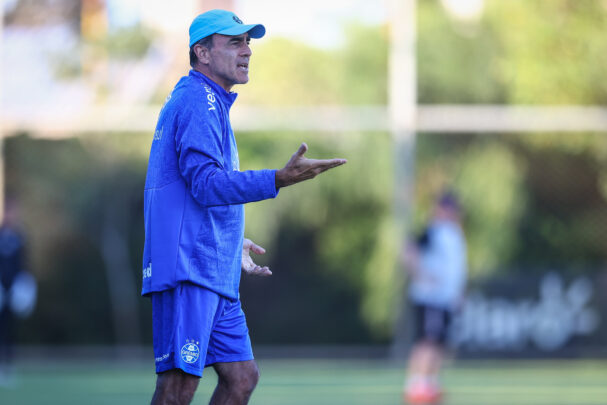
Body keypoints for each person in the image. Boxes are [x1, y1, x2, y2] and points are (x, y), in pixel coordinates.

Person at [142, 9, 347, 405]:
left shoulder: (210, 102)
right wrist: (277, 179)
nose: (247, 51)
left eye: (248, 42)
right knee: (178, 387)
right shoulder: (198, 101)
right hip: (190, 268)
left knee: (241, 379)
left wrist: (230, 241)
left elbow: (194, 189)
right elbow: (205, 184)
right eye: (234, 41)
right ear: (202, 53)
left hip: (210, 266)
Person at [402, 191, 467, 405]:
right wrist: (421, 275)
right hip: (431, 298)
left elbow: (455, 269)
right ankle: (415, 386)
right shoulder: (434, 231)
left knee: (439, 343)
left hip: (445, 299)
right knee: (427, 341)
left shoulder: (453, 233)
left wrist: (458, 293)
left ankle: (430, 384)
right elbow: (409, 251)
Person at [0, 198, 36, 386]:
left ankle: (8, 366)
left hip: (13, 290)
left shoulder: (19, 236)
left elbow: (23, 264)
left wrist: (24, 285)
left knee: (9, 329)